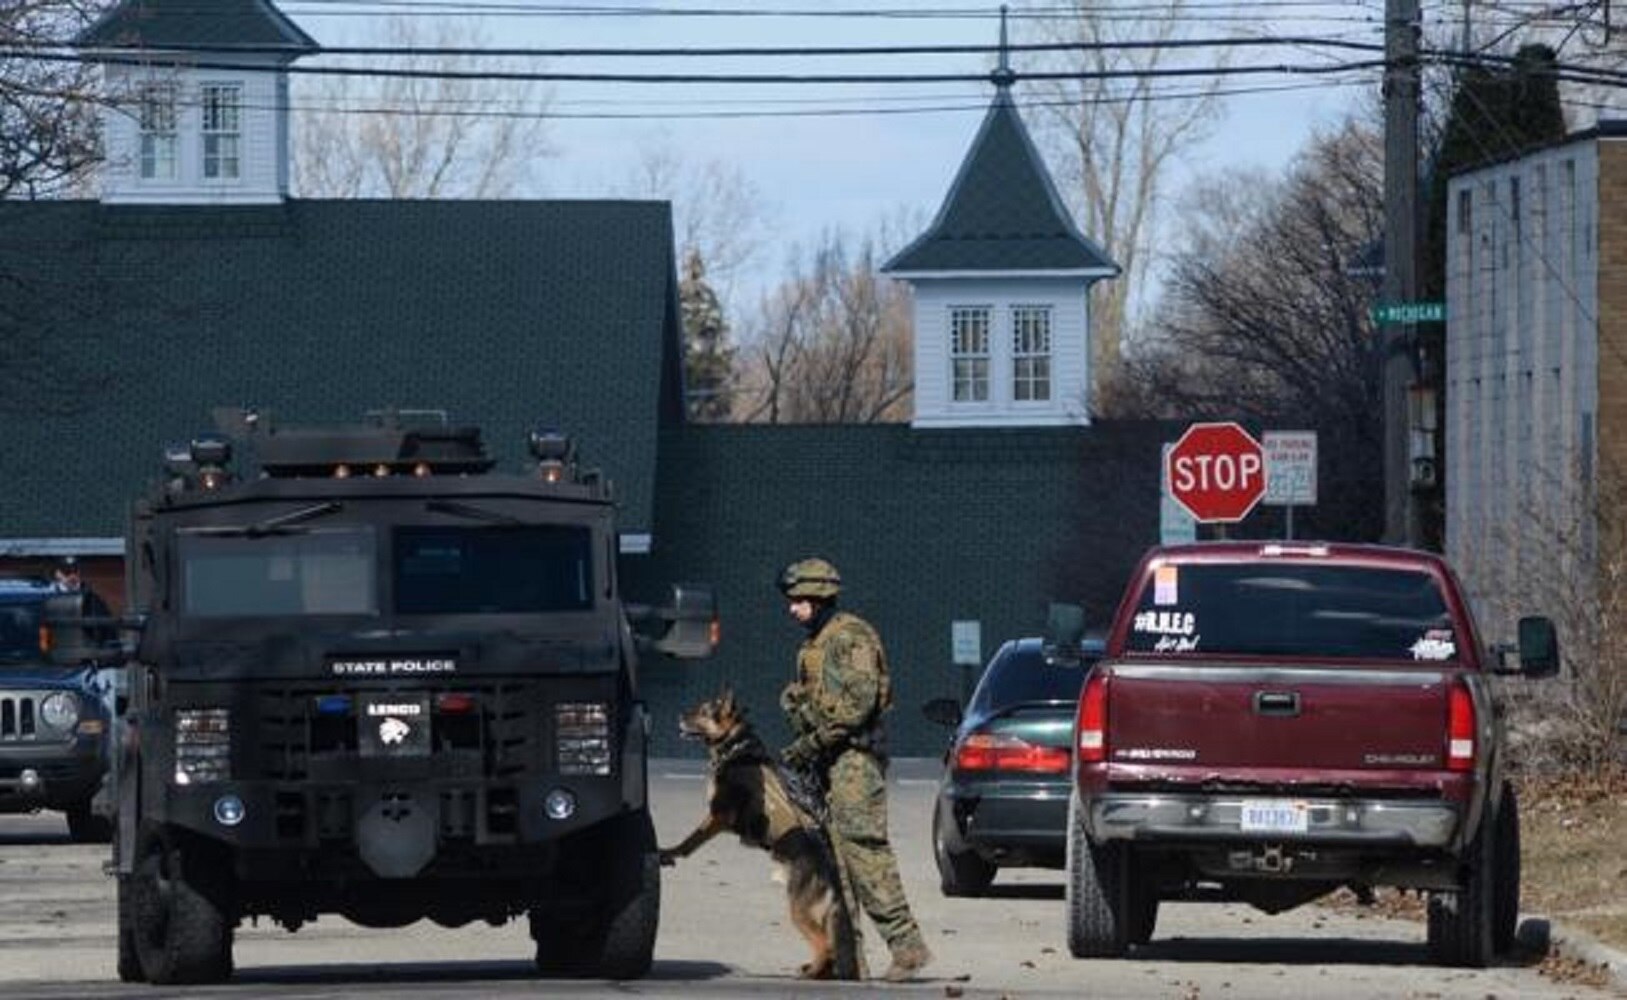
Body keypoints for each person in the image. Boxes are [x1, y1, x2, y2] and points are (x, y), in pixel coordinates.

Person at [776, 557, 932, 983]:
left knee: (865, 854)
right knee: (837, 864)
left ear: (818, 597)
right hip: (831, 763)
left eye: (798, 600)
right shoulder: (815, 644)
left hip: (854, 762)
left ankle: (908, 947)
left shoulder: (851, 637)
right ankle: (849, 960)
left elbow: (858, 706)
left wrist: (809, 744)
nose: (792, 608)